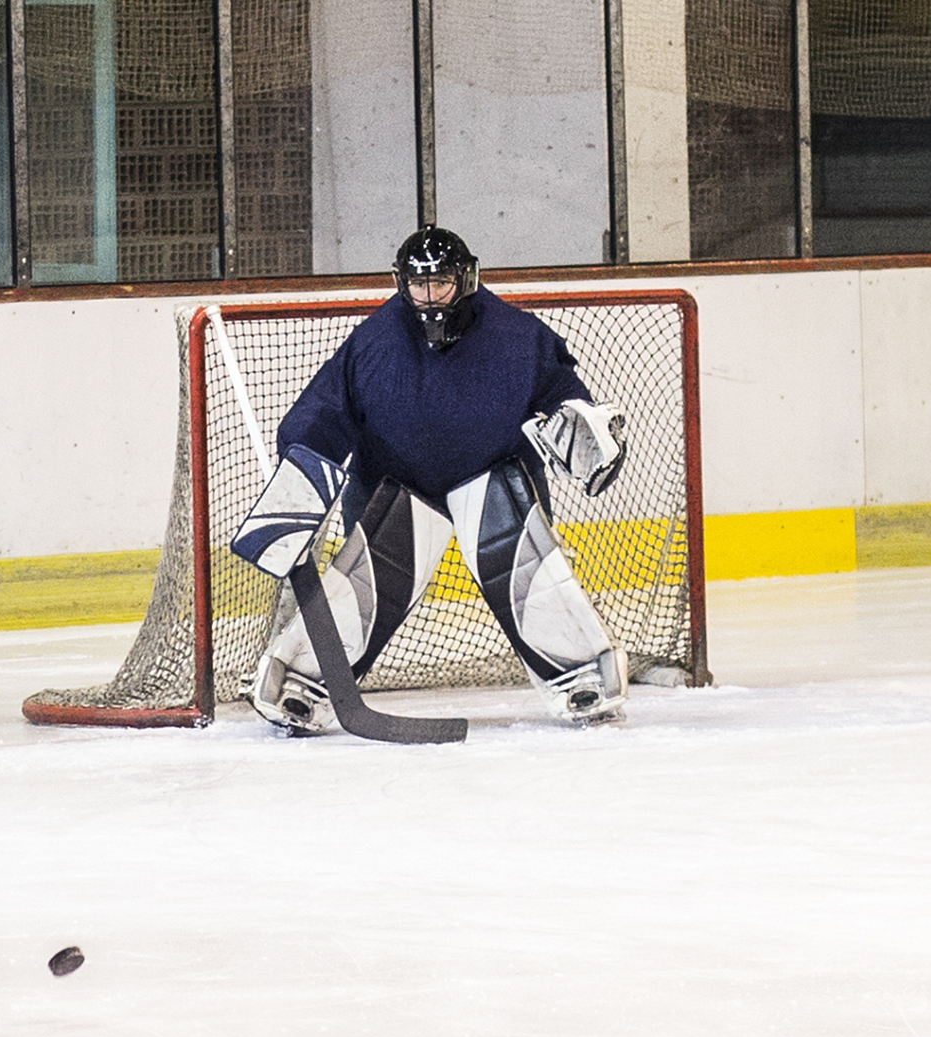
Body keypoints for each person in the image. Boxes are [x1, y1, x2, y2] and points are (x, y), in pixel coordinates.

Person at [231, 225, 631, 734]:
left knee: (520, 554)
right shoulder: (373, 341)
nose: (427, 297)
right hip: (396, 485)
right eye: (418, 286)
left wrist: (585, 425)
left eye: (439, 284)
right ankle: (303, 682)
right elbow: (325, 411)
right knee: (363, 578)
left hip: (489, 478)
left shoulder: (518, 337)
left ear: (465, 279)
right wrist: (300, 473)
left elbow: (565, 396)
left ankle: (580, 674)